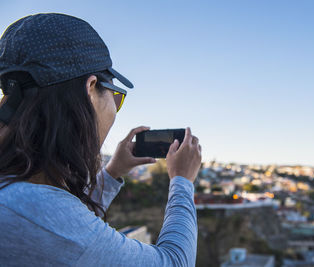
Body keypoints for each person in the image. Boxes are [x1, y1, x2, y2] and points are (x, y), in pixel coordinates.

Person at [0, 13, 201, 267]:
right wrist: (182, 181)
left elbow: (66, 233)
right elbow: (175, 262)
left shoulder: (18, 191)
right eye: (116, 96)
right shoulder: (35, 210)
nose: (115, 107)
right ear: (91, 88)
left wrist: (114, 170)